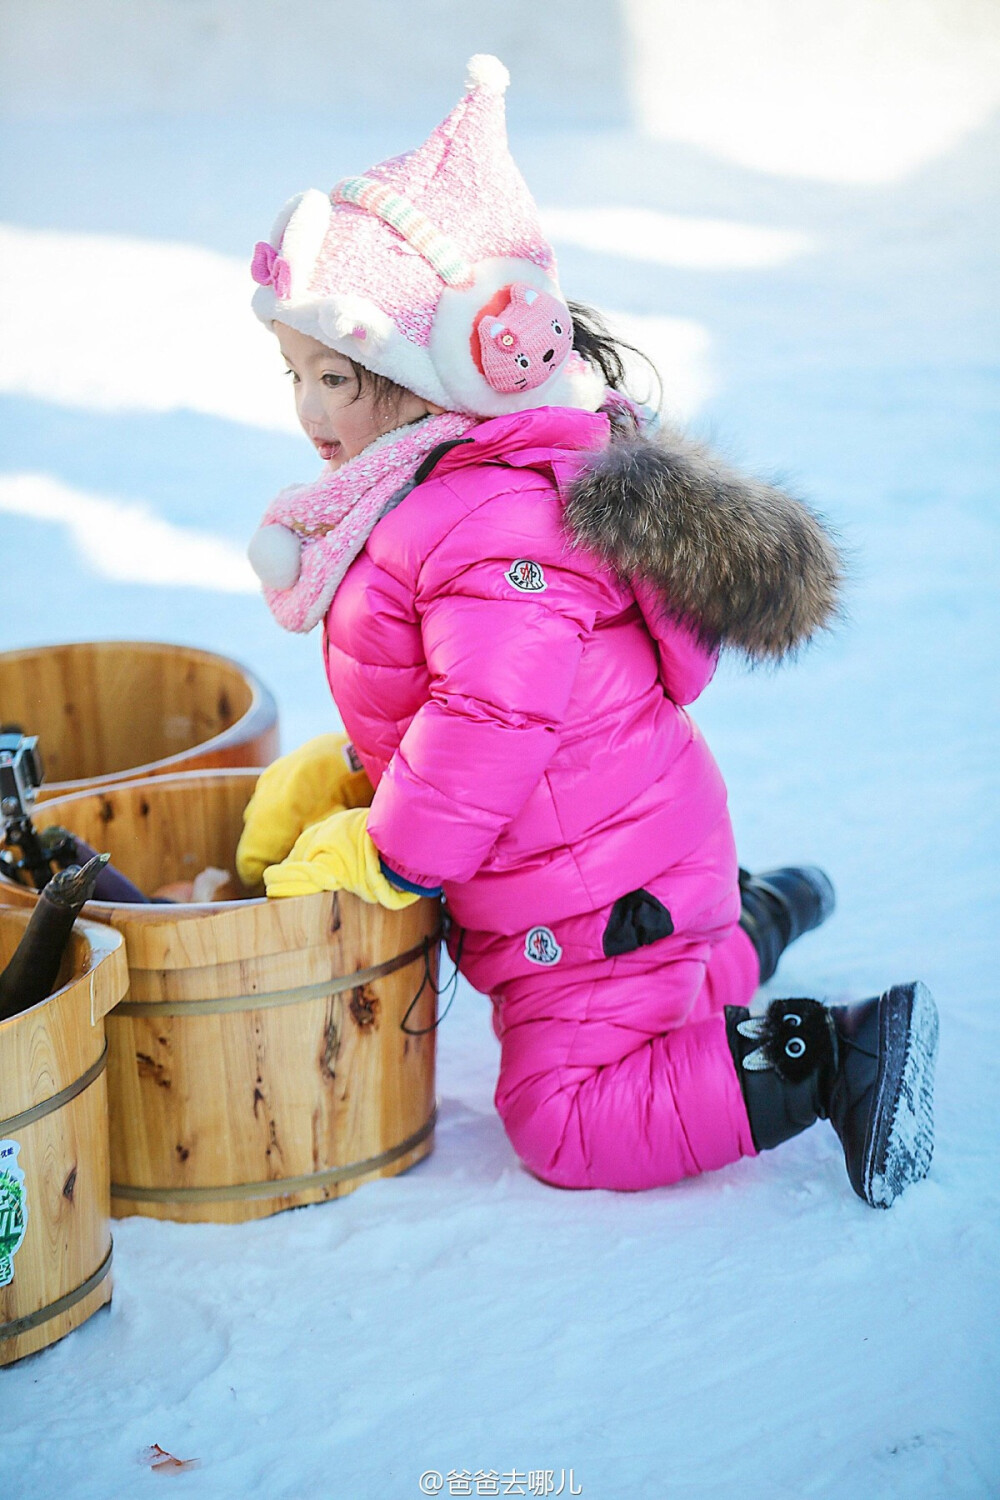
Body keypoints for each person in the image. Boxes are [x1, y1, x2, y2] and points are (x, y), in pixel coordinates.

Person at [237, 55, 937, 1208]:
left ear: (426, 376)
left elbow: (491, 712)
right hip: (611, 858)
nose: (311, 414)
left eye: (339, 378)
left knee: (564, 1124)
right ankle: (745, 922)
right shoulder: (432, 484)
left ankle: (827, 1058)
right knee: (669, 988)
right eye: (295, 376)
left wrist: (398, 849)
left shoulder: (485, 515)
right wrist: (359, 773)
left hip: (590, 889)